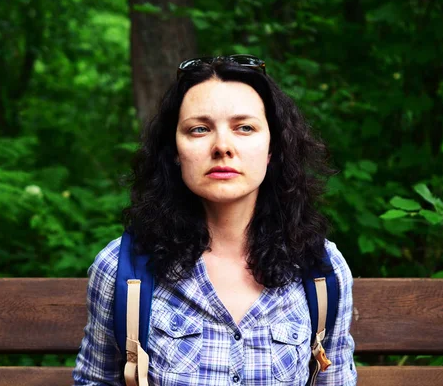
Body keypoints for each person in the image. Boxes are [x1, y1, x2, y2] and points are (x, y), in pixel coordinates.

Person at [72, 55, 357, 385]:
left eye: (244, 128)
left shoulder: (321, 269)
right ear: (175, 151)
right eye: (199, 129)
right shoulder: (124, 270)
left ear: (272, 148)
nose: (223, 146)